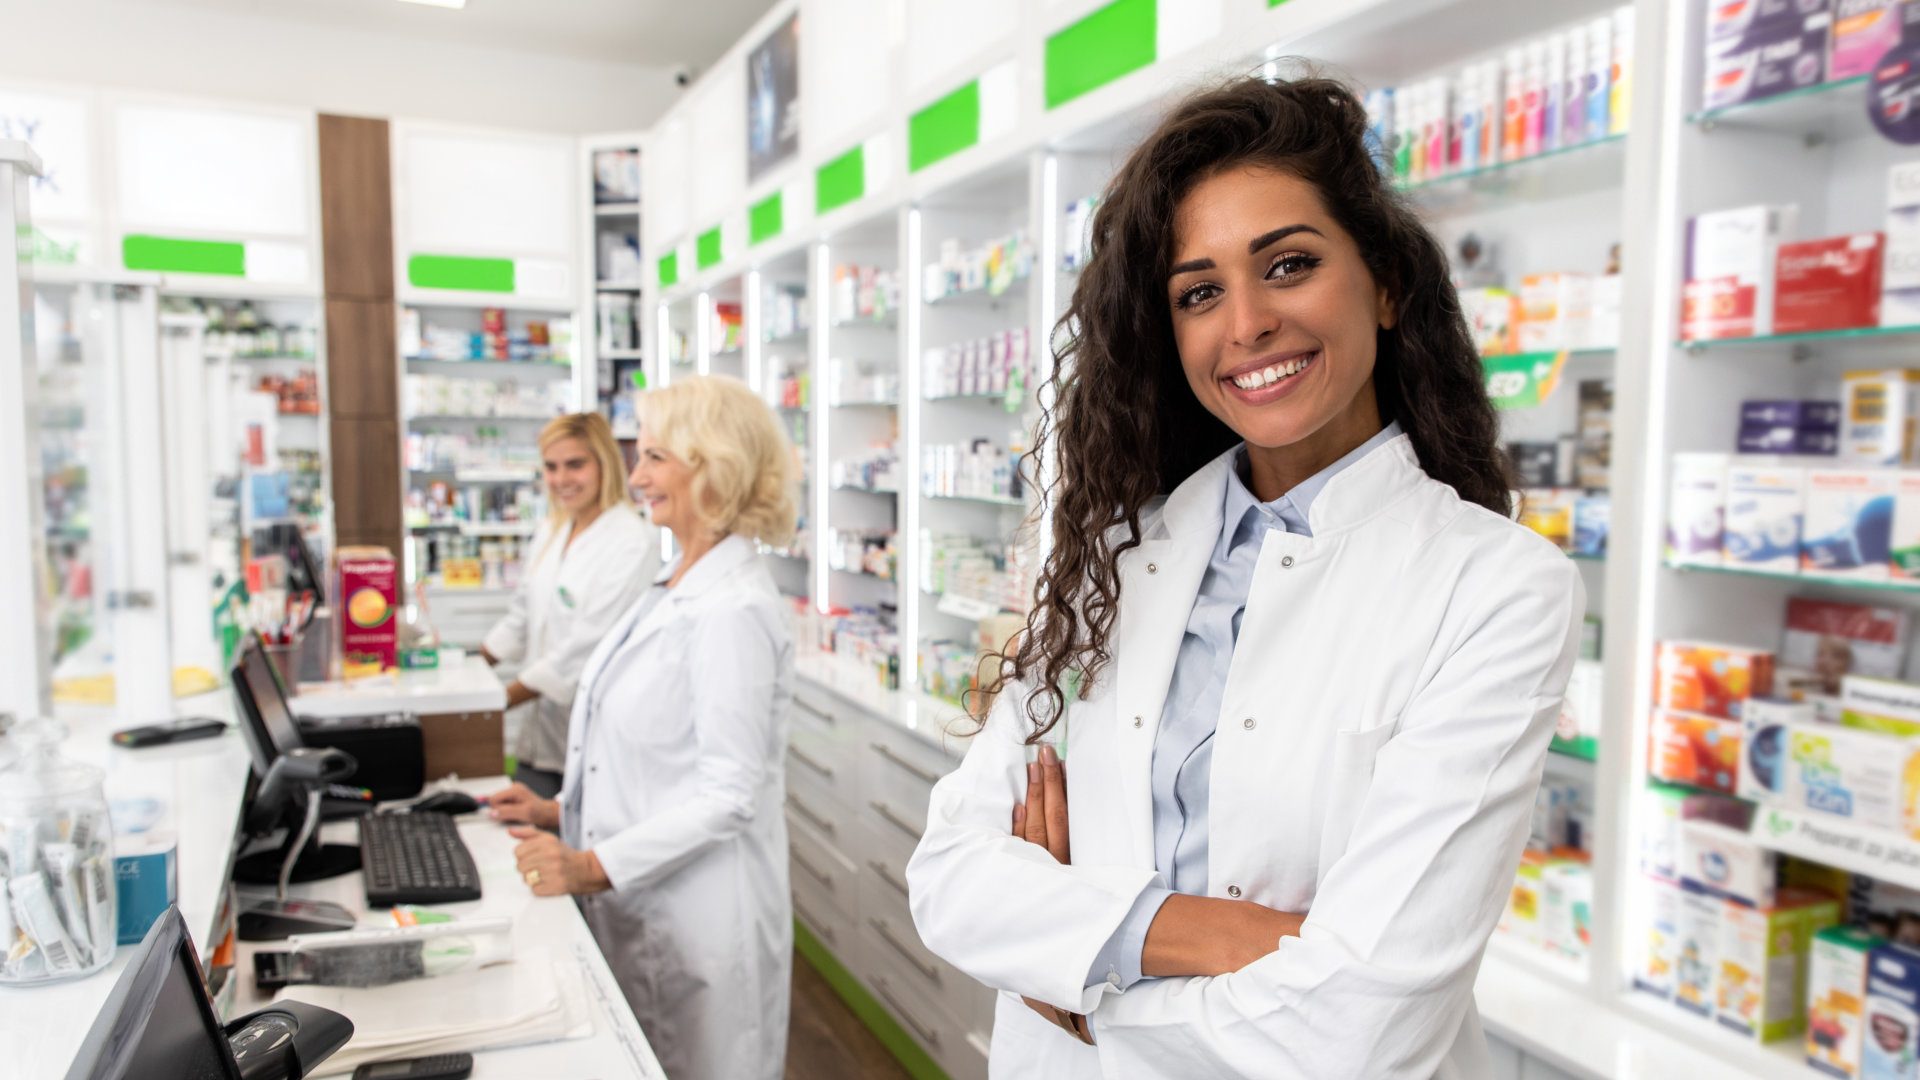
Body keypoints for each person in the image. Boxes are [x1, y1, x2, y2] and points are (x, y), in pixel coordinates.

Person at [905, 74, 1585, 1079]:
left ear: (1387, 281)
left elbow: (1361, 1018)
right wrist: (1195, 933)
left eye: (1290, 264)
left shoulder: (1497, 588)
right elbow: (951, 878)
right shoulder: (1117, 555)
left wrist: (1080, 977)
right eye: (1199, 292)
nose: (1248, 323)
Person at [487, 376, 797, 1080]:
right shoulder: (677, 582)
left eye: (656, 456)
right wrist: (559, 810)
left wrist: (591, 865)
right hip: (646, 904)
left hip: (699, 921)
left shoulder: (733, 610)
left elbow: (729, 795)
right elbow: (647, 758)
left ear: (713, 466)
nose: (639, 476)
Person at [479, 412, 658, 799]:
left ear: (604, 464)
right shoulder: (552, 528)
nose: (561, 479)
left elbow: (583, 650)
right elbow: (521, 618)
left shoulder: (632, 541)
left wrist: (494, 703)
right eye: (551, 467)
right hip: (537, 735)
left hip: (595, 741)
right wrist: (468, 672)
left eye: (575, 464)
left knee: (570, 850)